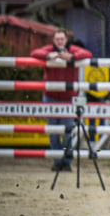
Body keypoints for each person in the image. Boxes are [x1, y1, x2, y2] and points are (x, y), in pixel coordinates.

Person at [30, 29, 92, 172]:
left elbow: (87, 53)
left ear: (66, 39)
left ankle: (67, 161)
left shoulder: (72, 49)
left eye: (62, 39)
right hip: (50, 96)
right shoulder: (49, 49)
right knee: (53, 131)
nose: (59, 41)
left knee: (67, 131)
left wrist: (70, 57)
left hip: (68, 97)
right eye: (57, 39)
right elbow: (34, 53)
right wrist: (49, 55)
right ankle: (57, 161)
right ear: (53, 40)